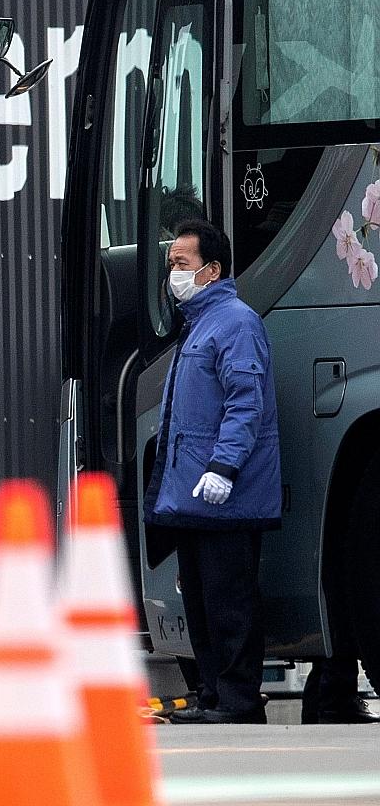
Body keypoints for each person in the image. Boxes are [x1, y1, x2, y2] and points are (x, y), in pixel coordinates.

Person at [143, 219, 282, 725]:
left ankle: (239, 702)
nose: (173, 274)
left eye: (181, 264)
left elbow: (246, 404)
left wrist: (224, 467)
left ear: (212, 270)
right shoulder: (201, 323)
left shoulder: (235, 323)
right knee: (201, 603)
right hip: (195, 495)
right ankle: (214, 697)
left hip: (228, 495)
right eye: (171, 264)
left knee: (229, 605)